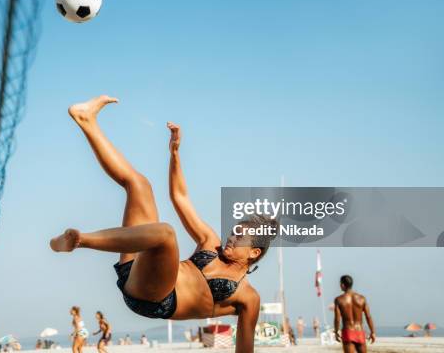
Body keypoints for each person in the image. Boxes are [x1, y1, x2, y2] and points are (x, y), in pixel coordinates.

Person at [50, 96, 275, 353]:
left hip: (158, 300)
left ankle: (79, 240)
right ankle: (86, 120)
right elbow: (180, 196)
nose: (231, 238)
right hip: (135, 272)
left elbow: (245, 349)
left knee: (166, 234)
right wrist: (175, 153)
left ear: (254, 252)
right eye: (234, 232)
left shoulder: (248, 296)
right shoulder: (210, 242)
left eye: (239, 238)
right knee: (139, 185)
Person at [334, 275, 376, 353]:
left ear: (343, 285)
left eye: (340, 283)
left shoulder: (339, 299)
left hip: (348, 331)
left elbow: (337, 319)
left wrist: (336, 332)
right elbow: (368, 317)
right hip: (359, 331)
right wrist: (372, 332)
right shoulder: (361, 298)